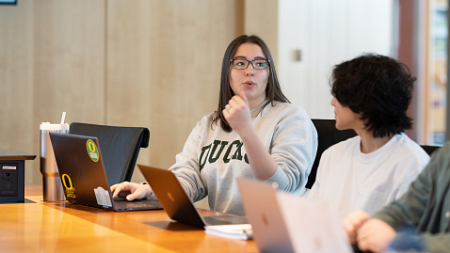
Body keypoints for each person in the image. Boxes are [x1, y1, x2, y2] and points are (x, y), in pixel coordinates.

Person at [111, 35, 318, 216]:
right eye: (240, 63)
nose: (250, 71)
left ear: (269, 73)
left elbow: (280, 186)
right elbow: (189, 179)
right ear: (227, 71)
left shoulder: (292, 117)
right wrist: (150, 189)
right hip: (227, 229)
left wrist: (246, 129)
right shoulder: (209, 124)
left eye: (260, 64)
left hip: (282, 232)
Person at [308, 54, 430, 219]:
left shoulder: (412, 165)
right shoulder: (332, 155)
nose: (332, 102)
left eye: (338, 95)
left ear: (363, 103)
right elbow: (310, 218)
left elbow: (408, 238)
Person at [343, 142, 450, 253]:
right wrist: (369, 228)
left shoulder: (412, 158)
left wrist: (399, 243)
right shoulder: (445, 156)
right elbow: (403, 209)